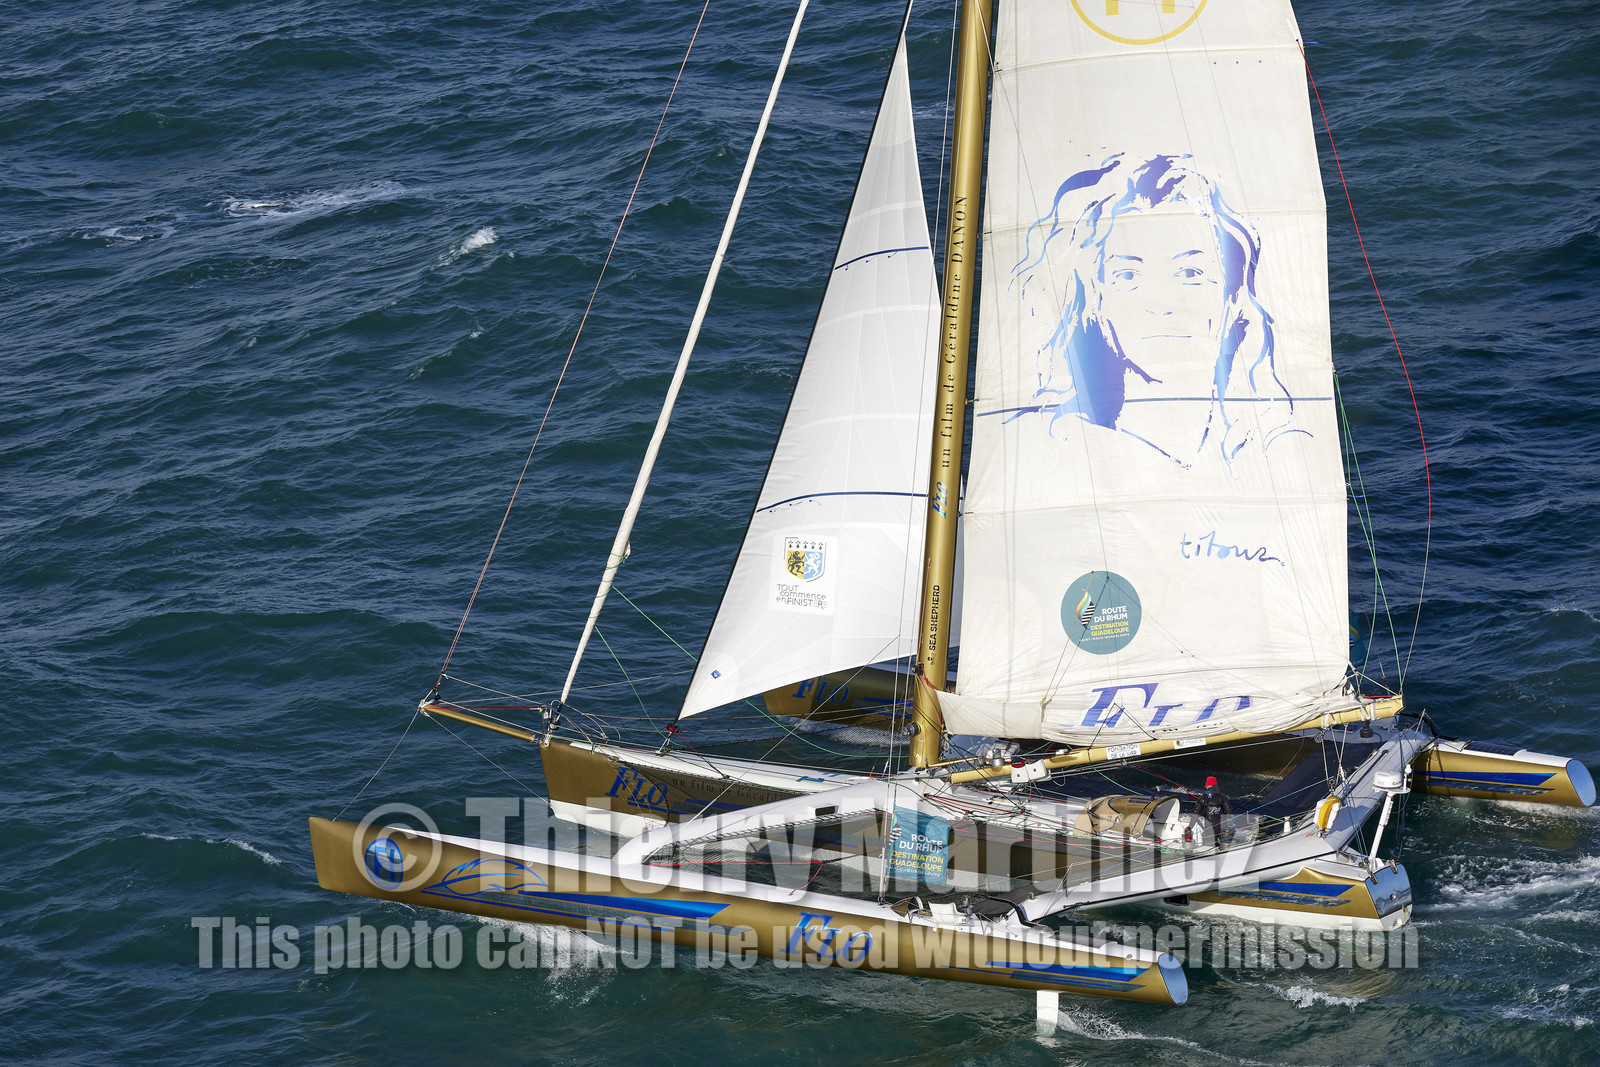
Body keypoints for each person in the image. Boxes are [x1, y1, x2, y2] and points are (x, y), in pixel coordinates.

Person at [1010, 153, 1305, 469]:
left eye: (1190, 272)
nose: (1160, 303)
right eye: (1127, 275)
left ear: (1232, 297)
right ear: (1096, 301)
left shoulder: (1284, 447)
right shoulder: (1039, 451)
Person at [1196, 775, 1233, 845]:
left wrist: (1189, 827)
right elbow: (1229, 812)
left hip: (1209, 829)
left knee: (1210, 847)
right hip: (1222, 828)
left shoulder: (1203, 797)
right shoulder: (1222, 796)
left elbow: (1195, 814)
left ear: (1207, 786)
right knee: (1223, 846)